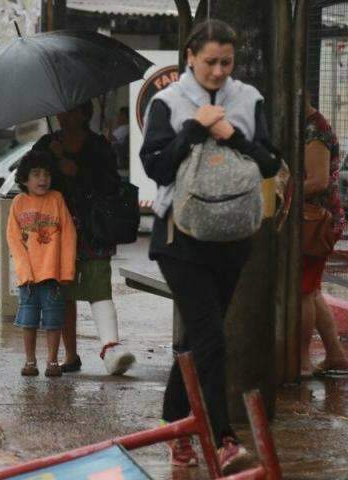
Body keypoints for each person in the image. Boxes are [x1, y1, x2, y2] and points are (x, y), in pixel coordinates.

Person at [140, 20, 280, 473]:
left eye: (227, 63)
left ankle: (175, 428)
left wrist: (232, 137)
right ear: (190, 57)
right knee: (211, 338)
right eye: (210, 63)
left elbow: (269, 162)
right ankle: (221, 439)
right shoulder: (167, 102)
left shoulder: (249, 99)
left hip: (233, 237)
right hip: (179, 239)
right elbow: (157, 169)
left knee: (200, 340)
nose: (218, 72)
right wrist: (194, 130)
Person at [32, 101, 136, 376]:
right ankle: (70, 355)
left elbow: (111, 184)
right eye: (62, 110)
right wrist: (48, 160)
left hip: (93, 229)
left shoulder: (99, 145)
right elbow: (29, 176)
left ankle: (111, 348)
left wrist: (75, 169)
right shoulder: (45, 144)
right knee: (63, 289)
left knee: (98, 284)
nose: (64, 115)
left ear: (84, 114)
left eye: (72, 110)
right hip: (56, 230)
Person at [6, 150, 76, 377]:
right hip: (28, 278)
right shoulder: (18, 202)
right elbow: (13, 238)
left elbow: (68, 235)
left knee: (54, 321)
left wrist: (66, 271)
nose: (42, 179)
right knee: (28, 320)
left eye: (46, 174)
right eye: (36, 174)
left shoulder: (57, 199)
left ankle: (53, 361)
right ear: (24, 179)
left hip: (53, 275)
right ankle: (30, 361)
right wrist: (24, 270)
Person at [300, 97, 348, 377]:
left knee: (302, 291)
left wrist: (284, 189)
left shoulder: (313, 131)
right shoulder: (308, 126)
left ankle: (302, 361)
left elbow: (317, 180)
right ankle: (335, 354)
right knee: (312, 289)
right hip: (318, 218)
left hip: (316, 221)